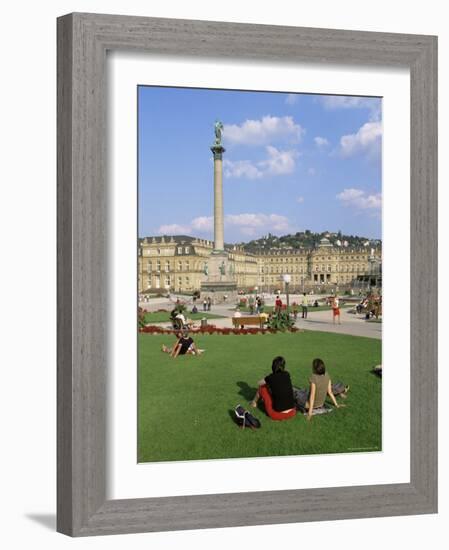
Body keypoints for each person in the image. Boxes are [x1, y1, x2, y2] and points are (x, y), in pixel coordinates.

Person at [250, 356, 296, 421]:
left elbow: (259, 383)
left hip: (277, 414)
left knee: (262, 387)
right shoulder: (287, 374)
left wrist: (266, 378)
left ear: (273, 366)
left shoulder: (270, 377)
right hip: (292, 412)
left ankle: (254, 403)